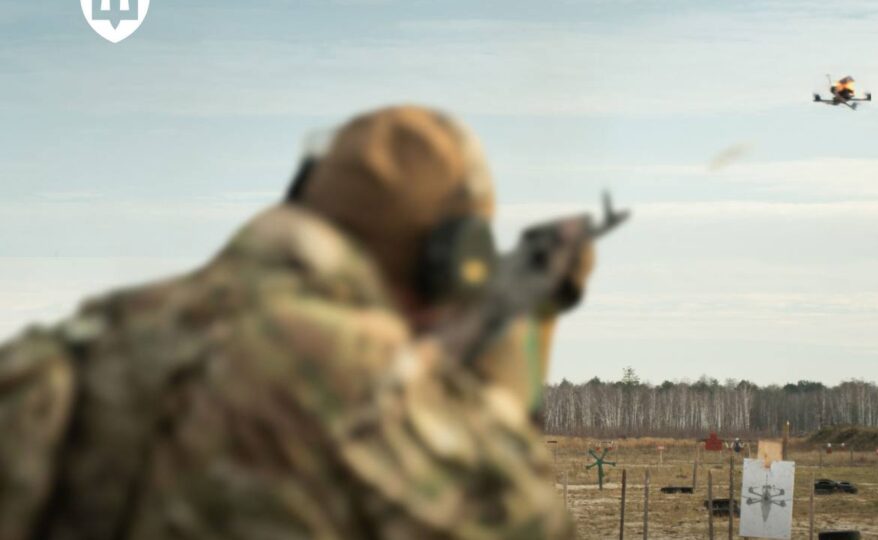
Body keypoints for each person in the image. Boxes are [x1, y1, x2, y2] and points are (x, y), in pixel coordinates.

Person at [0, 106, 593, 539]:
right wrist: (504, 363)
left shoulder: (94, 337)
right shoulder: (364, 376)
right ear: (451, 259)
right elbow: (530, 524)